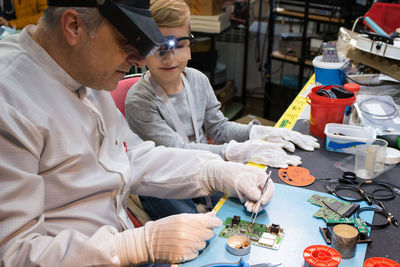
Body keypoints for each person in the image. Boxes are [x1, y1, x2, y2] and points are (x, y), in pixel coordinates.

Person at [0, 0, 275, 266]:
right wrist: (135, 246)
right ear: (73, 26)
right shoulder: (9, 100)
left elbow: (131, 156)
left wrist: (215, 171)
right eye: (127, 42)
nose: (140, 60)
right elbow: (14, 253)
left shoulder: (81, 70)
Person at [125, 0, 319, 220]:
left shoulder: (197, 80)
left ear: (190, 44)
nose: (170, 58)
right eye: (159, 47)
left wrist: (255, 133)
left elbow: (219, 128)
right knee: (198, 230)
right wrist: (235, 152)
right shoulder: (139, 100)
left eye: (180, 45)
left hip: (205, 167)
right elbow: (176, 150)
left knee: (248, 203)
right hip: (161, 181)